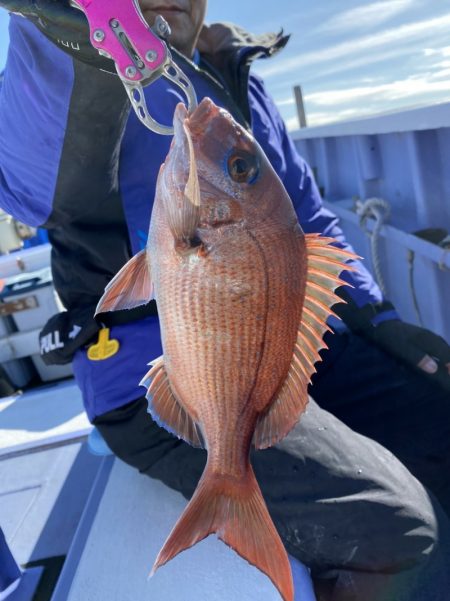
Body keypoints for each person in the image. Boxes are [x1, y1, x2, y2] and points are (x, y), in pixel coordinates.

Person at [0, 1, 449, 599]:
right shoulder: (68, 77)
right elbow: (27, 182)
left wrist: (379, 318)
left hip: (282, 350)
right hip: (155, 386)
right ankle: (230, 485)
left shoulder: (232, 74)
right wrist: (63, 39)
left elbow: (309, 218)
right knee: (399, 530)